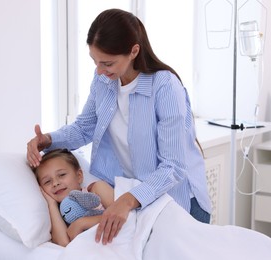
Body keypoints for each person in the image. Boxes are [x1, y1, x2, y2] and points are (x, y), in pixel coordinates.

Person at [27, 8, 211, 245]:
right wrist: (48, 140)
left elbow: (173, 167)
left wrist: (127, 200)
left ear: (134, 51)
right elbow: (84, 128)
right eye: (95, 61)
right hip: (136, 198)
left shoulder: (164, 87)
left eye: (108, 63)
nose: (99, 71)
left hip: (178, 201)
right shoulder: (104, 81)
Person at [34, 148, 114, 247]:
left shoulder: (96, 189)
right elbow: (64, 243)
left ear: (79, 176)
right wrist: (51, 204)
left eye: (62, 175)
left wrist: (82, 223)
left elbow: (124, 215)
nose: (55, 183)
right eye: (47, 182)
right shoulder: (61, 215)